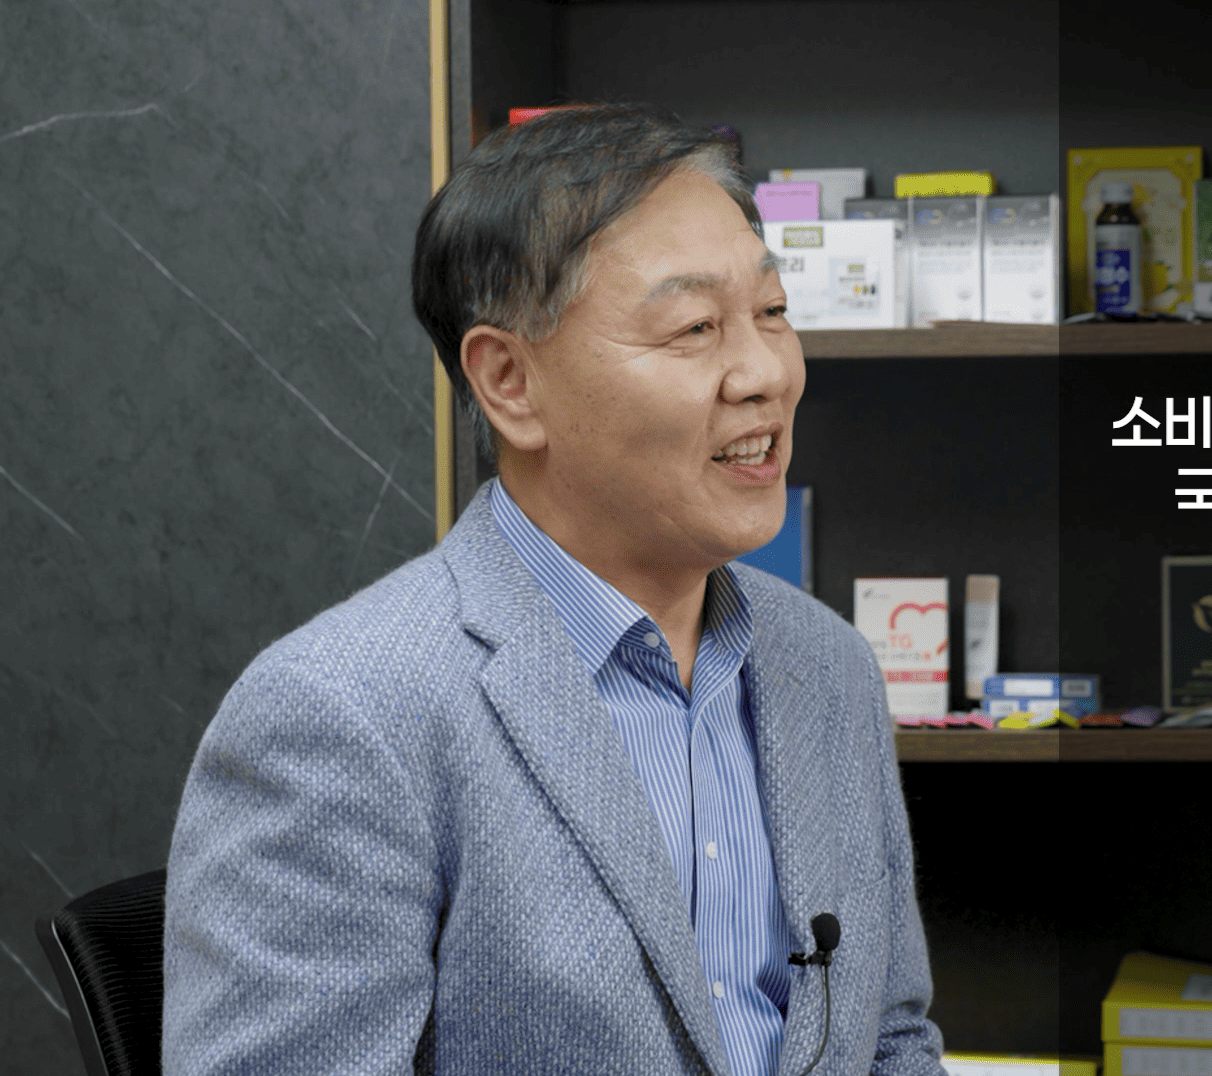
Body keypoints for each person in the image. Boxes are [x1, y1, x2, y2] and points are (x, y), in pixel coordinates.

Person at [162, 103, 945, 1076]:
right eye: (695, 326)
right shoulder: (343, 711)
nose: (763, 374)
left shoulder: (825, 665)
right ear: (509, 382)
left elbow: (888, 1039)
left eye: (773, 312)